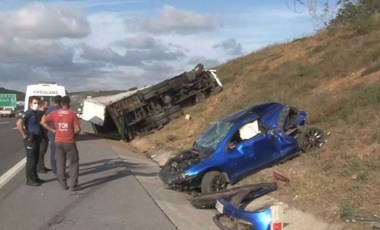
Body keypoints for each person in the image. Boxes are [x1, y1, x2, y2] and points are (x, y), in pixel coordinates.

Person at [41, 96, 81, 191]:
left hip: (58, 141)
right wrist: (74, 134)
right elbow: (78, 129)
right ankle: (73, 185)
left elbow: (43, 122)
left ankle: (63, 185)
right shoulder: (72, 114)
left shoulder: (54, 113)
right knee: (73, 163)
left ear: (60, 104)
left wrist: (53, 130)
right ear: (69, 103)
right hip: (69, 142)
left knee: (60, 163)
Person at [16, 96, 45, 186]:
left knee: (36, 159)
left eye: (38, 103)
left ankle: (35, 177)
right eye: (35, 103)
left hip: (37, 139)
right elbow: (18, 123)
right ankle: (29, 180)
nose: (36, 105)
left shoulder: (36, 113)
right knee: (31, 160)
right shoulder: (28, 113)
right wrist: (24, 134)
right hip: (30, 140)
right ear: (30, 104)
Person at [44, 95, 62, 174]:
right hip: (60, 133)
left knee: (53, 151)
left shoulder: (48, 110)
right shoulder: (61, 110)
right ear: (60, 102)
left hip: (51, 133)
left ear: (53, 101)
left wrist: (50, 129)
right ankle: (59, 170)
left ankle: (54, 168)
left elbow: (43, 121)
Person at [37, 100, 50, 173]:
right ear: (42, 105)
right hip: (41, 134)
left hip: (44, 134)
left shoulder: (43, 113)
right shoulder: (39, 113)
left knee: (43, 151)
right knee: (41, 151)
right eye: (46, 105)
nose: (47, 106)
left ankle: (42, 166)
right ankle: (40, 168)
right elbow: (41, 123)